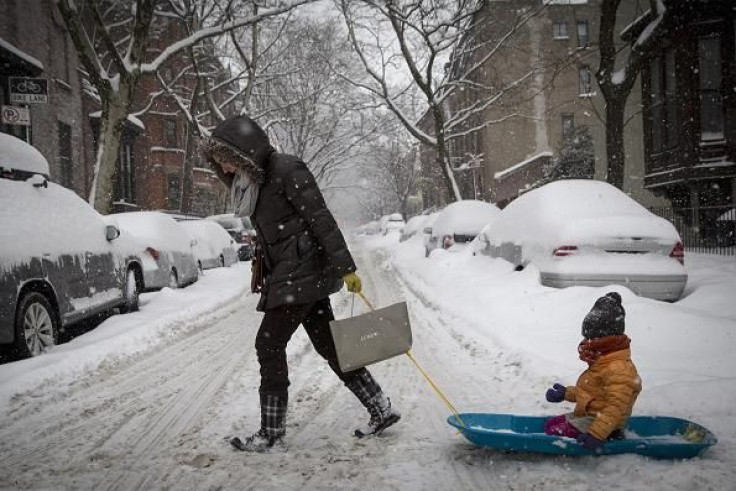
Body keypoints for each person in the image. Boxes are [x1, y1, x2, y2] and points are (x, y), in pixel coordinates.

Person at [202, 115, 400, 452]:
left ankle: (271, 432)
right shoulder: (253, 184)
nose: (222, 165)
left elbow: (319, 218)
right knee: (330, 346)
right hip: (296, 274)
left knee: (268, 344)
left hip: (302, 274)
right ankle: (380, 407)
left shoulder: (286, 169)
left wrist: (347, 267)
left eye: (224, 157)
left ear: (241, 153)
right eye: (218, 160)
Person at [543, 292, 642, 451]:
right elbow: (592, 393)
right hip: (590, 416)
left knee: (554, 432)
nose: (587, 343)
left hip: (605, 425)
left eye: (592, 339)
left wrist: (597, 434)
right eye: (587, 338)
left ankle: (612, 436)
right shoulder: (602, 359)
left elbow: (615, 408)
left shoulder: (618, 368)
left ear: (606, 338)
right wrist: (565, 394)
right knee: (551, 424)